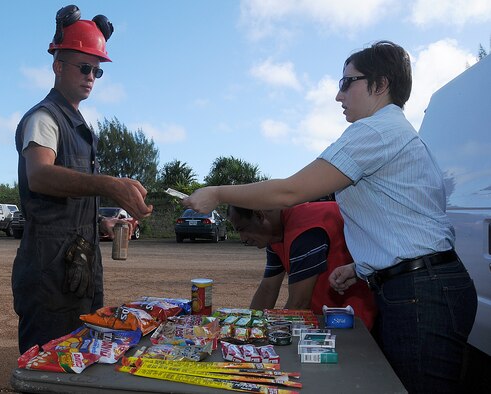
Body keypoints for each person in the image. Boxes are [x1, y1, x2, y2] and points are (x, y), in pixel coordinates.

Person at [183, 40, 477, 393]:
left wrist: (217, 193)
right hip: (423, 286)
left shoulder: (374, 131)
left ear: (380, 85)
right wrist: (361, 267)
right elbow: (406, 220)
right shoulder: (393, 133)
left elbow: (289, 192)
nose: (339, 96)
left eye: (346, 82)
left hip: (420, 292)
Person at [12, 5, 153, 354]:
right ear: (58, 65)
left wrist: (101, 222)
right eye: (84, 67)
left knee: (80, 361)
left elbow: (67, 202)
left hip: (77, 270)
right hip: (49, 274)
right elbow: (40, 175)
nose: (91, 76)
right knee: (49, 366)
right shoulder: (45, 118)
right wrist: (108, 184)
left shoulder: (78, 124)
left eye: (97, 70)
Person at [227, 202, 377, 330]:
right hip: (325, 318)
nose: (243, 239)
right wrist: (247, 327)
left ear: (260, 216)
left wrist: (263, 336)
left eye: (242, 229)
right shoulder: (275, 235)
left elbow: (298, 304)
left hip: (354, 320)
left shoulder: (304, 229)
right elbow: (268, 289)